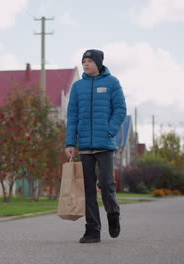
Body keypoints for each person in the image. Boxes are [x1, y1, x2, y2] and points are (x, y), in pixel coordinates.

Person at [65, 49, 126, 243]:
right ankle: (92, 230)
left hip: (105, 144)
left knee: (106, 183)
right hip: (84, 146)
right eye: (84, 61)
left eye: (90, 61)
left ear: (98, 63)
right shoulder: (78, 87)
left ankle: (113, 214)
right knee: (88, 188)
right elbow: (72, 116)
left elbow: (120, 109)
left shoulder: (112, 82)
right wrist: (69, 143)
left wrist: (110, 130)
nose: (86, 64)